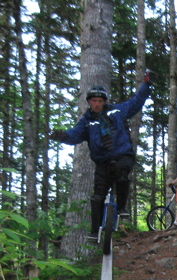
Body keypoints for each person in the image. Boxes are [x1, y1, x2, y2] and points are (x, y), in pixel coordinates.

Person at [50, 74, 153, 241]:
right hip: (102, 161)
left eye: (100, 101)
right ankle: (94, 231)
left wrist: (146, 86)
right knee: (97, 196)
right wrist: (61, 136)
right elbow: (74, 135)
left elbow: (136, 102)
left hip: (122, 154)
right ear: (89, 102)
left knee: (122, 172)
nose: (97, 104)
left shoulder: (117, 111)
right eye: (94, 101)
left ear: (104, 101)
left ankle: (121, 208)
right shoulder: (86, 122)